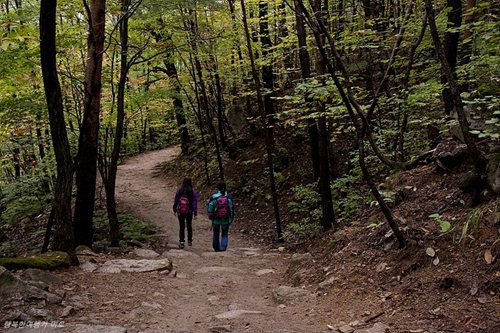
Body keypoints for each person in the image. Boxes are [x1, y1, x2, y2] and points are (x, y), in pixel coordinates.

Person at [207, 181, 234, 252]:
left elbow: (210, 207)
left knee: (216, 232)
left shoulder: (214, 197)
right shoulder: (228, 197)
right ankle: (223, 247)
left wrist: (210, 215)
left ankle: (216, 247)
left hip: (216, 219)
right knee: (224, 233)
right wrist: (231, 219)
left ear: (217, 188)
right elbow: (231, 209)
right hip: (225, 219)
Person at [173, 178, 198, 249]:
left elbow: (176, 200)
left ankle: (181, 242)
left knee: (182, 226)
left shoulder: (179, 190)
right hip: (189, 211)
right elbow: (195, 202)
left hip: (180, 211)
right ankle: (189, 240)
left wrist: (174, 209)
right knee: (189, 225)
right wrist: (195, 212)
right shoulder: (192, 191)